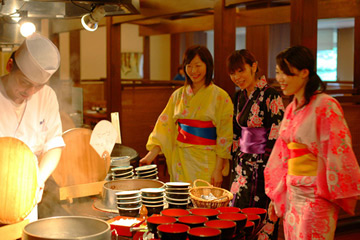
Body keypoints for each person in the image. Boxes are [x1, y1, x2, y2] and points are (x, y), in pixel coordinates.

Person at [265, 45, 360, 239]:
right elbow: (282, 154)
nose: (280, 79)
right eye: (277, 73)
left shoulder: (325, 105)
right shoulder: (291, 108)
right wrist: (276, 194)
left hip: (316, 194)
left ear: (304, 72)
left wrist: (327, 190)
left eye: (285, 73)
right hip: (292, 191)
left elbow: (338, 150)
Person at [140, 45, 233, 187]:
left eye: (198, 65)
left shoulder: (221, 97)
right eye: (189, 66)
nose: (193, 71)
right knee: (180, 202)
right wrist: (150, 156)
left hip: (207, 160)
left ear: (208, 66)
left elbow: (224, 136)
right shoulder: (177, 95)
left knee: (205, 203)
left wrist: (218, 169)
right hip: (181, 160)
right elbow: (165, 127)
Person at [0, 33, 64, 221]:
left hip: (26, 195)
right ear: (10, 66)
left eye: (38, 86)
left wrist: (38, 180)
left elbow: (54, 144)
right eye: (25, 83)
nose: (30, 92)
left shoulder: (47, 96)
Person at [227, 49, 284, 239]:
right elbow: (237, 132)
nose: (237, 77)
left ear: (254, 67)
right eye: (233, 73)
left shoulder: (271, 95)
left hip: (263, 166)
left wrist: (267, 166)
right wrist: (234, 159)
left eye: (241, 70)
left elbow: (277, 133)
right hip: (241, 166)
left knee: (260, 216)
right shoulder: (239, 96)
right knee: (237, 214)